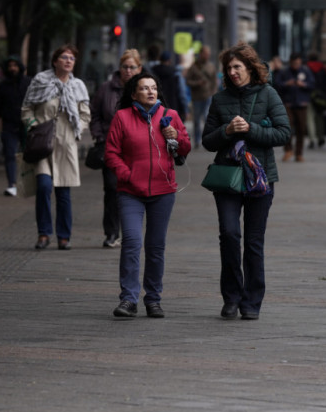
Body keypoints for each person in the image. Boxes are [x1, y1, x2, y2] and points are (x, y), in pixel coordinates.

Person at [202, 42, 291, 320]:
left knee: (253, 241)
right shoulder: (219, 99)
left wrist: (251, 129)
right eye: (229, 68)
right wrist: (227, 131)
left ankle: (252, 301)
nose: (232, 72)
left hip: (259, 178)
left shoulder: (268, 94)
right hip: (228, 177)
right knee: (229, 235)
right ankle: (231, 297)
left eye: (237, 67)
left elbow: (283, 133)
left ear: (250, 68)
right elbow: (206, 141)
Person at [105, 72, 191, 318]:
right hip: (130, 192)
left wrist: (176, 137)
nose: (151, 92)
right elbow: (111, 153)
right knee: (132, 242)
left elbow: (185, 148)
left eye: (154, 88)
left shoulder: (170, 116)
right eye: (144, 88)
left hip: (163, 192)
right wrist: (127, 174)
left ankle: (153, 299)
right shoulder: (122, 117)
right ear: (134, 94)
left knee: (155, 247)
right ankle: (128, 300)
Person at [21, 44, 91, 251]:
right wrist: (33, 126)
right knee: (43, 187)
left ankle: (63, 236)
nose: (68, 61)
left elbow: (85, 114)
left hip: (66, 144)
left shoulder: (78, 86)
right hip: (42, 144)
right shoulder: (40, 81)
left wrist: (78, 130)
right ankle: (43, 233)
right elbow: (26, 108)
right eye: (64, 57)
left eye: (72, 58)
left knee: (63, 192)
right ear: (55, 61)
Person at [90, 49, 143, 247]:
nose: (128, 71)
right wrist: (99, 136)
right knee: (112, 189)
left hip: (137, 149)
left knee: (133, 191)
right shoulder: (106, 89)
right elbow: (94, 113)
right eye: (125, 67)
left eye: (132, 67)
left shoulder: (144, 89)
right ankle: (111, 232)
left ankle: (130, 231)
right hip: (110, 147)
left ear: (139, 69)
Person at [0, 55, 31, 197]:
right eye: (10, 66)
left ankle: (27, 182)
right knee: (10, 154)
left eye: (15, 65)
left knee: (27, 155)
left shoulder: (28, 83)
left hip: (26, 125)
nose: (12, 68)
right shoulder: (3, 86)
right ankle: (12, 184)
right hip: (9, 125)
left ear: (20, 67)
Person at [274, 52, 314, 162]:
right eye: (294, 63)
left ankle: (299, 153)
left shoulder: (305, 71)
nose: (296, 65)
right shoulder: (284, 72)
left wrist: (304, 85)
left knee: (301, 129)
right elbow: (277, 85)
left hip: (302, 104)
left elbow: (312, 84)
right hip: (288, 104)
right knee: (287, 127)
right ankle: (288, 150)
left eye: (298, 63)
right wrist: (287, 84)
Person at [185, 45, 218, 146]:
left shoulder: (211, 66)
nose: (207, 56)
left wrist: (214, 93)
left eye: (208, 54)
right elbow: (187, 81)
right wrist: (197, 83)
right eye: (205, 54)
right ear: (201, 54)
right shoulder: (194, 66)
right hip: (197, 97)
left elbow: (214, 81)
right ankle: (197, 139)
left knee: (207, 118)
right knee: (197, 120)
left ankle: (208, 138)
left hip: (208, 96)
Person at [305, 52, 326, 149]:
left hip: (309, 95)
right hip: (321, 97)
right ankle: (320, 137)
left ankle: (312, 139)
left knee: (310, 118)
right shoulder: (323, 68)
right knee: (320, 117)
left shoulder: (306, 68)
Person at [152, 50, 187, 121]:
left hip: (156, 107)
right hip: (173, 107)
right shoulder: (175, 73)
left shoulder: (153, 71)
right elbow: (182, 93)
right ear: (170, 60)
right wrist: (185, 109)